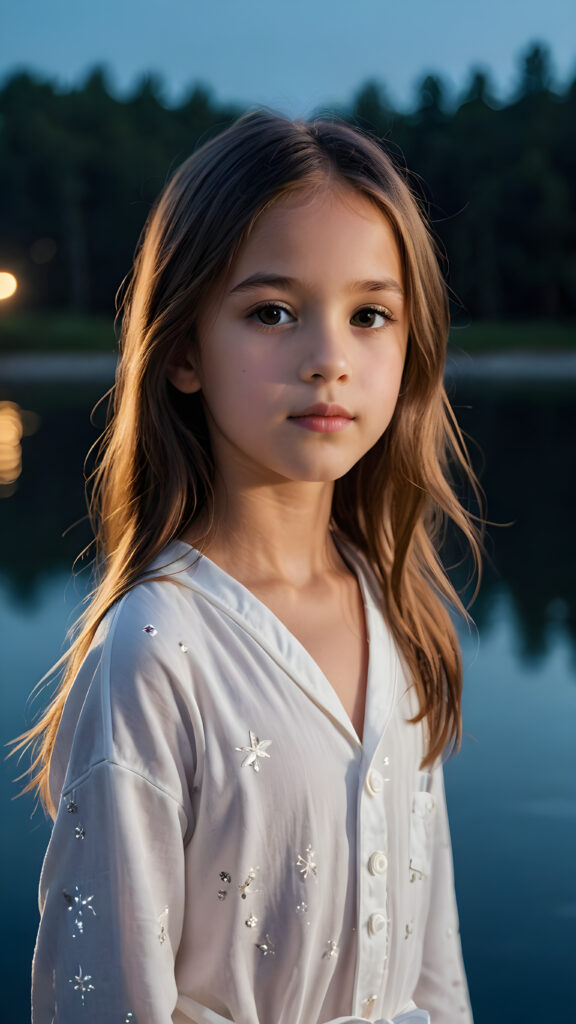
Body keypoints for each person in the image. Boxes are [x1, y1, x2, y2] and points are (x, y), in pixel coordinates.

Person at [22, 110, 482, 1023]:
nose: (329, 361)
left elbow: (435, 967)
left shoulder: (394, 605)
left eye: (369, 316)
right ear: (185, 350)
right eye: (272, 312)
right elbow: (103, 997)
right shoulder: (156, 650)